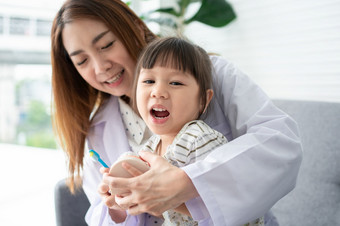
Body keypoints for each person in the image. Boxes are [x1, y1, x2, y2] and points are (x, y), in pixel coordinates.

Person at [51, 0, 303, 225]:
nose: (100, 66)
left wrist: (188, 182)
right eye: (82, 61)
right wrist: (118, 201)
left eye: (106, 45)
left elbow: (280, 142)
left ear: (136, 28)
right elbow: (101, 215)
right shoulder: (98, 131)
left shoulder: (214, 75)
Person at [128, 36, 265, 226]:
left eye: (175, 83)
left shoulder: (200, 139)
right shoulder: (149, 149)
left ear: (203, 100)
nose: (158, 91)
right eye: (149, 80)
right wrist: (119, 196)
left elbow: (224, 209)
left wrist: (164, 201)